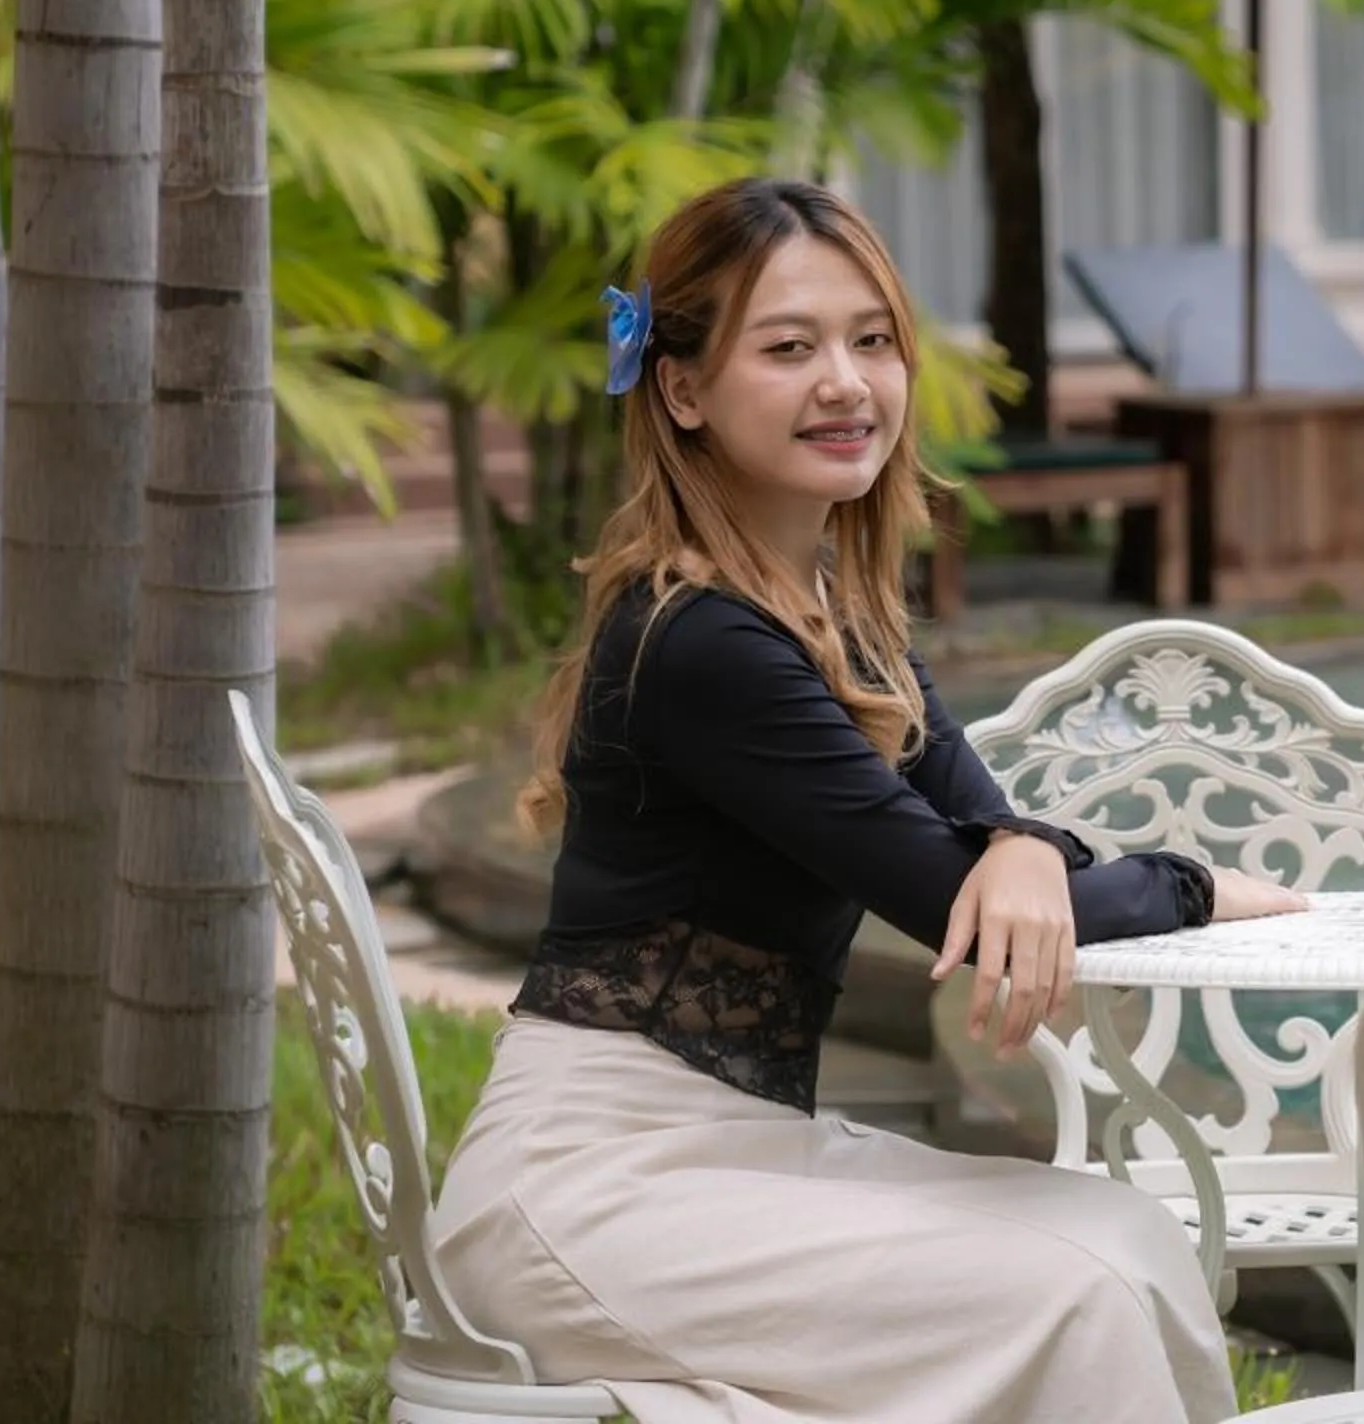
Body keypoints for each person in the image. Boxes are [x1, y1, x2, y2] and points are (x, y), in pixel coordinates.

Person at [432, 176, 1306, 1424]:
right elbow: (953, 898)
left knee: (1129, 1237)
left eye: (873, 338)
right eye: (789, 347)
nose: (846, 381)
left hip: (722, 1149)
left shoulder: (835, 614)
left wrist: (1017, 847)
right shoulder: (703, 640)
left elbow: (984, 839)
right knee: (1079, 1289)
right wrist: (1198, 883)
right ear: (681, 388)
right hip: (593, 1187)